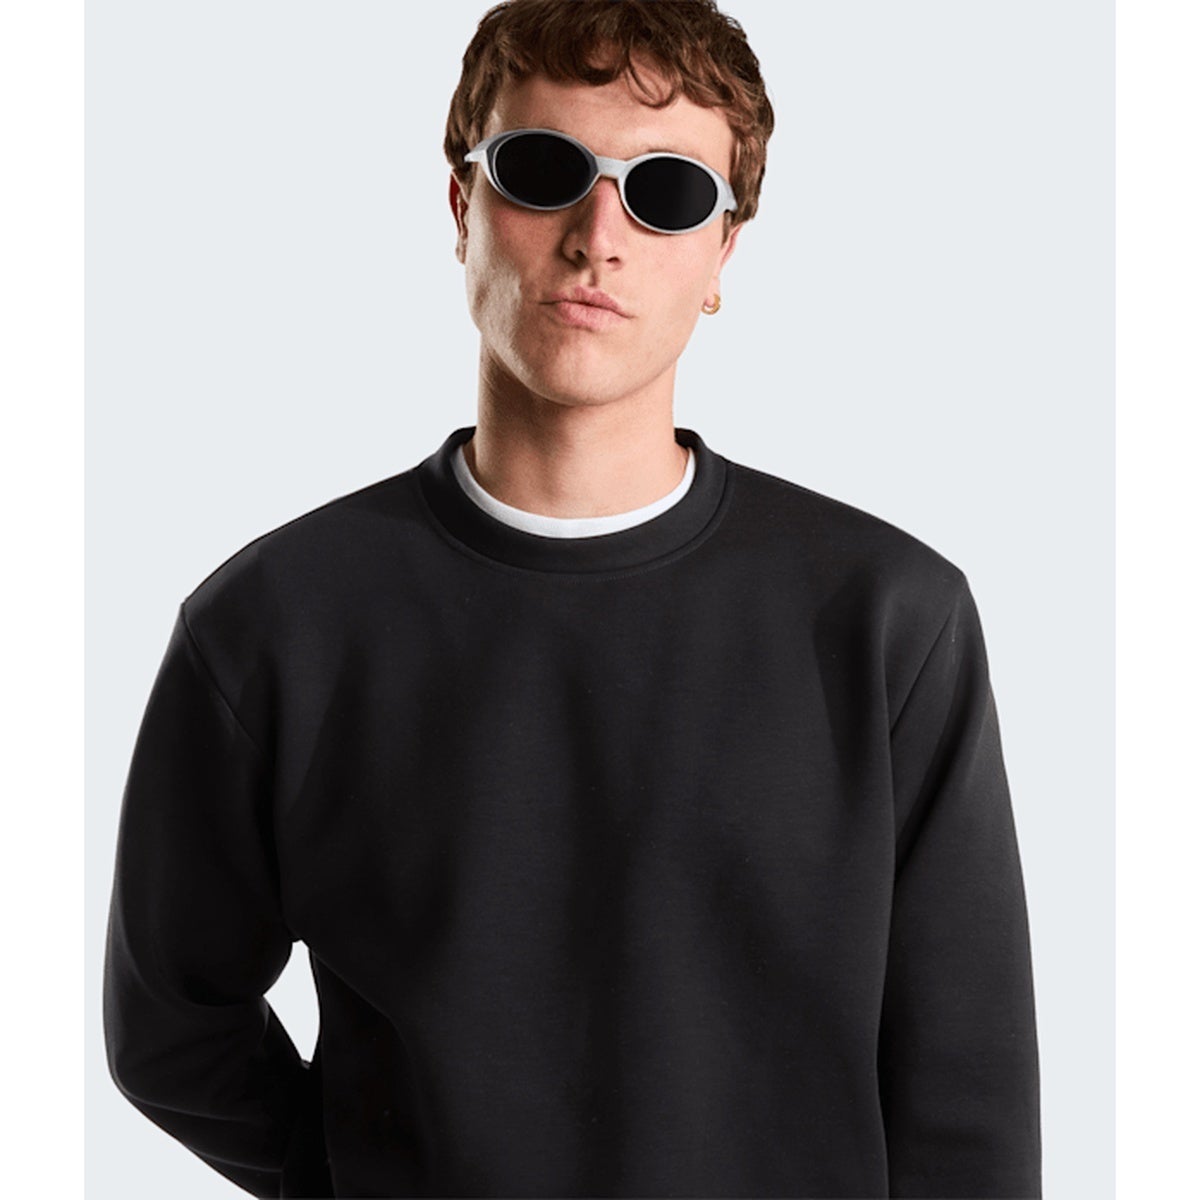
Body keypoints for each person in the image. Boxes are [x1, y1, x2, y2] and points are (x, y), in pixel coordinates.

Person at [101, 1, 1043, 1197]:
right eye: (544, 171)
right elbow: (170, 1027)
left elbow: (970, 1102)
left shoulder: (887, 621)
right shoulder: (272, 627)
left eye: (667, 193)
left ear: (722, 256)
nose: (600, 237)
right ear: (462, 206)